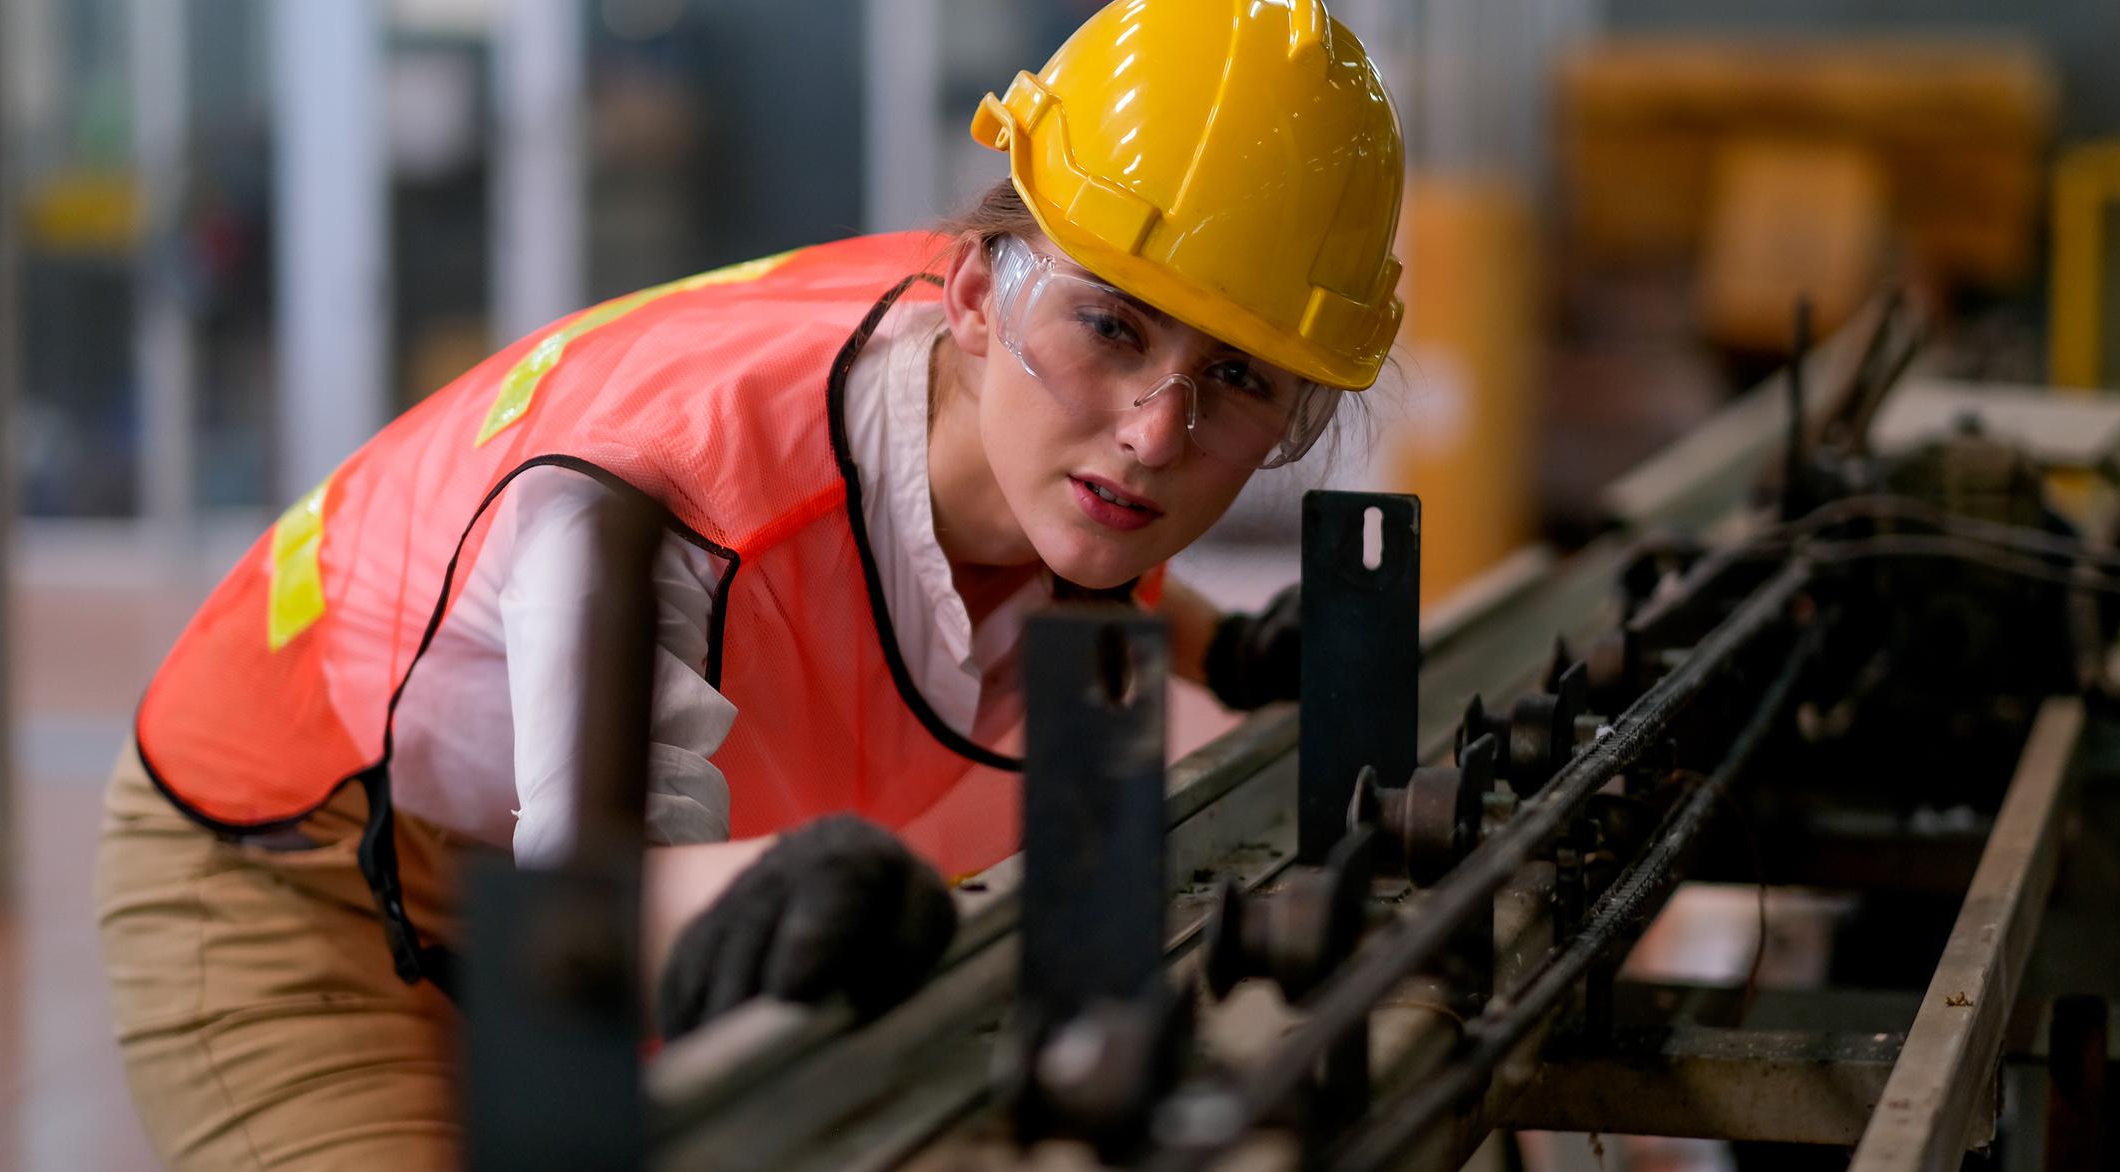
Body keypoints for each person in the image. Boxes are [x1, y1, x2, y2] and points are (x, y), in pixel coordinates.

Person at [94, 0, 1405, 1167]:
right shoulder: (657, 506)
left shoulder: (1056, 413)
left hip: (543, 862)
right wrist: (784, 879)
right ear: (969, 293)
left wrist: (1226, 650)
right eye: (1112, 329)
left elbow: (1052, 557)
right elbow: (591, 898)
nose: (1153, 434)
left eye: (1238, 378)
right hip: (303, 852)